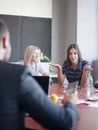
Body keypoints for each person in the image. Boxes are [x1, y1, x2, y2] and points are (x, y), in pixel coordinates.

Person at [0, 19, 79, 130]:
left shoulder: (36, 66)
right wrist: (70, 102)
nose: (37, 56)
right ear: (4, 42)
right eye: (35, 54)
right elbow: (64, 121)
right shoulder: (17, 73)